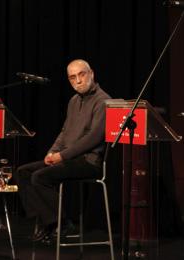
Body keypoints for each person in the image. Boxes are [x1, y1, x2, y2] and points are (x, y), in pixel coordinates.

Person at [14, 59, 111, 244]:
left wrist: (62, 156)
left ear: (91, 74)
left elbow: (94, 138)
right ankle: (47, 222)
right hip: (68, 158)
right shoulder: (73, 101)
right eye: (72, 77)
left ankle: (61, 224)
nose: (78, 81)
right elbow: (65, 132)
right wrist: (52, 152)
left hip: (88, 162)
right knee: (23, 172)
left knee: (39, 177)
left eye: (81, 75)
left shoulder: (104, 101)